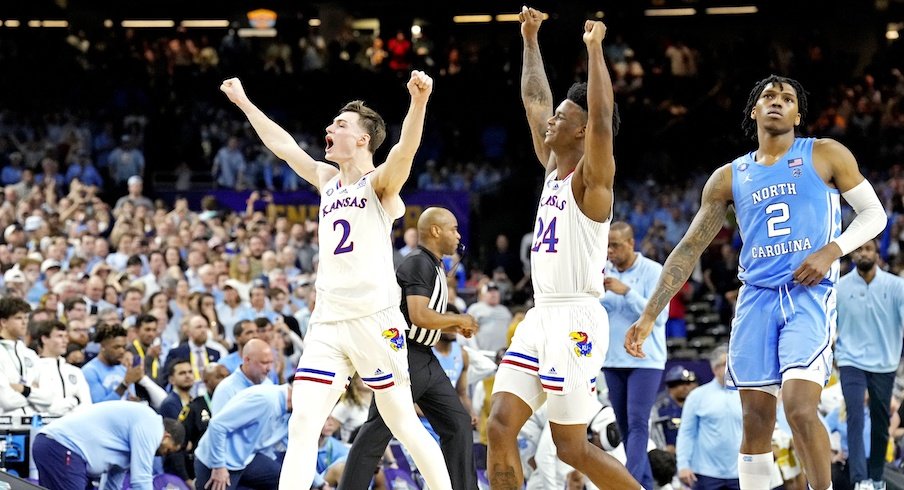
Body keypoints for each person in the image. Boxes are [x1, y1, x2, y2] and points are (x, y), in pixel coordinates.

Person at [625, 75, 887, 490]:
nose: (777, 102)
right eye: (768, 96)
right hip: (755, 300)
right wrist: (648, 314)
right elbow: (689, 247)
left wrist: (831, 250)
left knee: (800, 409)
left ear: (798, 114)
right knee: (755, 422)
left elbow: (875, 215)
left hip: (807, 297)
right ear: (754, 110)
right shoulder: (730, 176)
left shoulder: (824, 153)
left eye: (787, 98)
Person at [220, 69, 453, 490]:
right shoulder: (327, 180)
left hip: (374, 320)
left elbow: (404, 152)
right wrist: (243, 102)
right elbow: (283, 145)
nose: (329, 128)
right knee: (303, 423)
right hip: (328, 320)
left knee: (403, 422)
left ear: (363, 139)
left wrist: (418, 103)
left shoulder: (379, 185)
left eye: (340, 124)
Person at [487, 9, 637, 489]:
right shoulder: (552, 166)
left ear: (582, 131)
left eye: (564, 117)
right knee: (499, 426)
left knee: (572, 447)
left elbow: (601, 119)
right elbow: (534, 97)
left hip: (576, 317)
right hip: (541, 315)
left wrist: (594, 50)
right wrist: (530, 39)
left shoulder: (593, 182)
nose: (552, 119)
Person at [339, 207, 479, 489]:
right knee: (377, 432)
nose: (458, 235)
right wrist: (458, 318)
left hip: (424, 357)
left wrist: (453, 327)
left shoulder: (434, 263)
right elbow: (418, 315)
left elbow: (423, 319)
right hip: (403, 355)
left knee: (458, 424)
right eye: (453, 229)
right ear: (436, 231)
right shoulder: (417, 262)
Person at [602, 221, 668, 488]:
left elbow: (660, 317)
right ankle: (646, 486)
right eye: (606, 246)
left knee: (639, 423)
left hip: (645, 360)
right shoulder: (601, 270)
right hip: (610, 359)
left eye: (615, 245)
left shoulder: (653, 271)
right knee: (625, 427)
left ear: (631, 243)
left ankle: (627, 483)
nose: (609, 251)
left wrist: (627, 292)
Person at [835, 238, 904, 490]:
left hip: (884, 363)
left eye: (868, 249)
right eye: (859, 249)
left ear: (877, 254)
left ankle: (876, 479)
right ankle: (859, 480)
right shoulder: (840, 287)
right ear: (852, 255)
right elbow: (830, 323)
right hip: (850, 360)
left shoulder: (896, 286)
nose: (863, 253)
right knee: (854, 415)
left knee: (880, 421)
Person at [33, 401, 184, 490]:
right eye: (168, 450)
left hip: (53, 445)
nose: (164, 454)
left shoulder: (128, 443)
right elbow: (141, 480)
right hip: (63, 447)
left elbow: (112, 484)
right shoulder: (152, 425)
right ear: (166, 436)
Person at [194, 383, 291, 490]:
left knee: (285, 479)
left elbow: (298, 448)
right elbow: (217, 425)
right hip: (217, 461)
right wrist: (218, 466)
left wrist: (312, 484)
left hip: (246, 457)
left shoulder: (291, 411)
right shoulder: (265, 399)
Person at [676, 345, 743, 489]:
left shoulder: (746, 395)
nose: (730, 367)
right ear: (714, 369)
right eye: (725, 364)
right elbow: (686, 433)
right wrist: (683, 465)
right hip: (706, 473)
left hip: (740, 471)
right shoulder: (697, 396)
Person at [0, 297, 53, 415]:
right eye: (18, 318)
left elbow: (49, 397)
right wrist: (35, 394)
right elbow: (6, 401)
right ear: (3, 322)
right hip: (5, 427)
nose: (24, 322)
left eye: (26, 317)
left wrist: (24, 390)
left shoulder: (30, 354)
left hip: (33, 424)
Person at [33, 319, 93, 415]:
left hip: (74, 426)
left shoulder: (75, 371)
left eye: (66, 336)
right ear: (44, 339)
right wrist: (74, 400)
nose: (65, 340)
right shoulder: (33, 368)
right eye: (59, 336)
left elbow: (86, 405)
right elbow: (39, 406)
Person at [651, 365, 698, 454]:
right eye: (681, 384)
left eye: (688, 384)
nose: (686, 388)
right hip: (666, 456)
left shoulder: (695, 405)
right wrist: (662, 447)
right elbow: (652, 433)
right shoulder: (659, 407)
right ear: (671, 385)